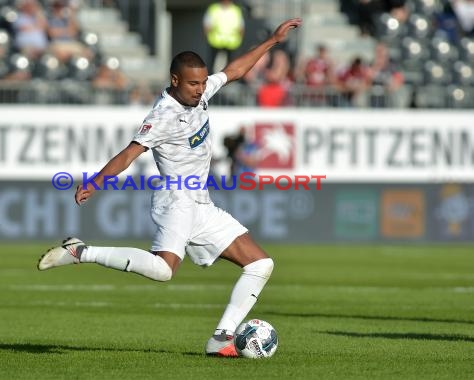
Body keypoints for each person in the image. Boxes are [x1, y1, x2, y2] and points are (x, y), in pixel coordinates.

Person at [37, 17, 302, 357]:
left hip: (201, 203)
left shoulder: (202, 92)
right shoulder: (162, 115)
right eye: (193, 83)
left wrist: (273, 40)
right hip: (174, 199)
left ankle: (221, 338)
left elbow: (234, 71)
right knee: (163, 271)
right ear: (175, 80)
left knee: (261, 264)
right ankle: (80, 252)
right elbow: (129, 153)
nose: (200, 88)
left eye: (203, 82)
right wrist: (96, 181)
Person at [203, 0, 245, 71]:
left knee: (231, 66)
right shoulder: (213, 9)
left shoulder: (236, 10)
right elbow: (207, 25)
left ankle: (230, 81)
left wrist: (240, 39)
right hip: (215, 42)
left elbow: (241, 27)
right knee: (212, 65)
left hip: (232, 42)